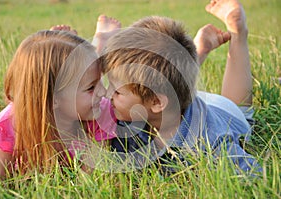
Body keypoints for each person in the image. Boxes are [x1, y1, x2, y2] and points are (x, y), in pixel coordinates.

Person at [101, 0, 261, 174]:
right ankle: (194, 54)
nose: (106, 94)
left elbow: (257, 177)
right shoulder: (134, 109)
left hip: (223, 111)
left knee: (240, 110)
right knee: (169, 82)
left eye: (116, 91)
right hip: (179, 101)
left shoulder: (211, 141)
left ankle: (237, 34)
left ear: (155, 102)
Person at [0, 16, 121, 180]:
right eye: (92, 88)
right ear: (53, 97)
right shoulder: (13, 124)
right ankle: (63, 52)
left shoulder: (99, 111)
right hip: (33, 117)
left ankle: (89, 46)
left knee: (82, 72)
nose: (104, 92)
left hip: (53, 98)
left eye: (100, 82)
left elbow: (89, 179)